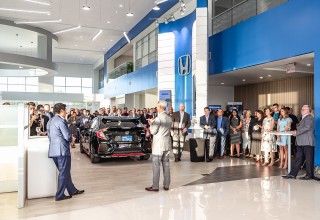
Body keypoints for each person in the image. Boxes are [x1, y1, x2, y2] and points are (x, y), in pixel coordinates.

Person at [47, 103, 84, 201]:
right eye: (65, 110)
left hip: (53, 150)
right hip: (62, 150)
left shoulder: (50, 120)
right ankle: (60, 195)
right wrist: (71, 137)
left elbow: (49, 135)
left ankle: (72, 190)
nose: (66, 112)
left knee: (64, 172)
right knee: (63, 173)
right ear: (62, 110)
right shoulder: (61, 121)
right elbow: (67, 136)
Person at [145, 100, 172, 192]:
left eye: (157, 106)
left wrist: (151, 124)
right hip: (167, 144)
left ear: (160, 107)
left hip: (158, 145)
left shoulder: (158, 119)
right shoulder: (169, 118)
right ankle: (166, 185)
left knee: (156, 165)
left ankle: (155, 186)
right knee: (166, 164)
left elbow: (153, 132)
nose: (156, 108)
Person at [283, 105, 315, 180]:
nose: (302, 110)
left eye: (304, 109)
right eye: (302, 108)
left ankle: (309, 175)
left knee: (309, 159)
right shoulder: (302, 118)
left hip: (307, 141)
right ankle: (292, 174)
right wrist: (295, 131)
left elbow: (306, 128)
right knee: (298, 159)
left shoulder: (309, 117)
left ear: (308, 110)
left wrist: (296, 132)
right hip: (301, 142)